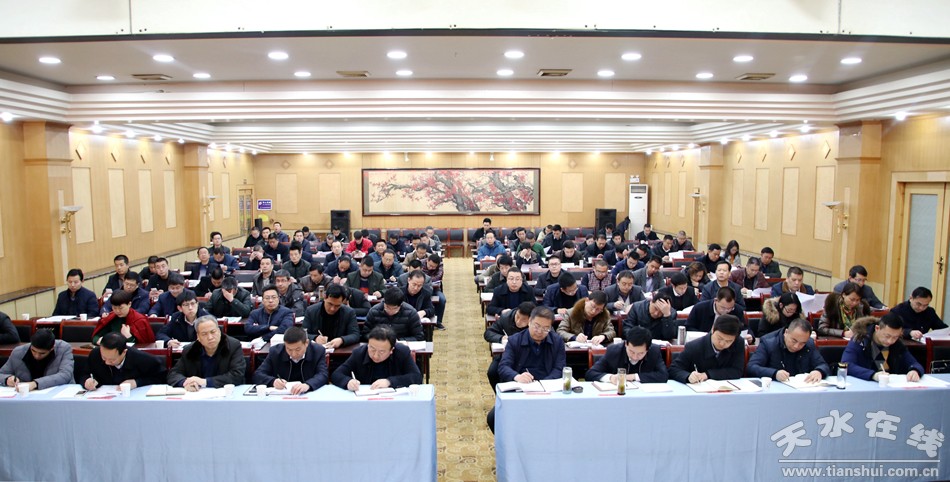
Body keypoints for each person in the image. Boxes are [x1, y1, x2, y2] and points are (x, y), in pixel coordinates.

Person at [489, 306, 566, 432]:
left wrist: (544, 384)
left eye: (546, 328)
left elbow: (559, 368)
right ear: (529, 321)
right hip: (522, 388)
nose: (540, 331)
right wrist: (517, 376)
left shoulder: (557, 341)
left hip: (548, 389)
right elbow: (503, 367)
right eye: (537, 326)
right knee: (493, 418)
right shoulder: (515, 340)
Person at [331, 325, 422, 391]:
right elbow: (337, 374)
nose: (375, 355)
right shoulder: (359, 353)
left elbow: (416, 377)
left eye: (381, 352)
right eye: (372, 349)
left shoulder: (402, 352)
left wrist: (389, 382)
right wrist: (348, 382)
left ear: (391, 350)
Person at [168, 316, 245, 390]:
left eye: (213, 332)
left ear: (219, 331)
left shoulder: (233, 346)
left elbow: (237, 375)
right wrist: (185, 382)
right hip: (197, 394)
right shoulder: (190, 350)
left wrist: (205, 382)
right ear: (198, 337)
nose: (210, 337)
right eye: (204, 334)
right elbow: (173, 373)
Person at [841, 314, 924, 382]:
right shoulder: (860, 339)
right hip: (865, 383)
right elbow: (847, 364)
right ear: (877, 328)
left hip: (889, 385)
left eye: (895, 337)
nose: (890, 341)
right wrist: (873, 375)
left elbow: (914, 363)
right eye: (887, 336)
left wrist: (915, 370)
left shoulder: (897, 344)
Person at [669, 314, 745, 384]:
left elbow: (737, 371)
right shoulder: (694, 346)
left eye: (728, 341)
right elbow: (674, 369)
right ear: (712, 329)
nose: (722, 343)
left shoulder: (738, 343)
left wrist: (708, 374)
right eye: (719, 338)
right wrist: (688, 376)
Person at [746, 319, 829, 382]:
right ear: (786, 332)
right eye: (794, 341)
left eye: (802, 343)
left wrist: (819, 371)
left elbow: (823, 365)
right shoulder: (768, 342)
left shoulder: (809, 344)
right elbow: (751, 367)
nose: (797, 346)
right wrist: (774, 373)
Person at [252, 327, 328, 395]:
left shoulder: (317, 351)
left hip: (308, 395)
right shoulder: (275, 352)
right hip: (282, 396)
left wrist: (308, 385)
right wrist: (273, 381)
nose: (294, 354)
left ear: (306, 343)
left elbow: (323, 374)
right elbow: (258, 374)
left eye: (298, 349)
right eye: (289, 349)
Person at [586, 326, 669, 383]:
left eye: (640, 353)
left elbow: (664, 375)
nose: (635, 357)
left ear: (648, 349)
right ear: (626, 344)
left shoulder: (654, 351)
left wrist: (633, 377)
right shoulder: (613, 351)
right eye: (632, 352)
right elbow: (590, 374)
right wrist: (611, 378)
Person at [84, 332, 167, 389]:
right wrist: (86, 380)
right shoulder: (95, 354)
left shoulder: (143, 359)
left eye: (112, 360)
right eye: (104, 358)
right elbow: (84, 373)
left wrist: (137, 382)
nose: (107, 362)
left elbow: (162, 378)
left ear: (124, 352)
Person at [0, 329, 74, 392]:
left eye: (42, 353)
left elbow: (65, 375)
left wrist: (35, 384)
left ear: (52, 348)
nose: (37, 356)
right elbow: (1, 374)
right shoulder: (18, 352)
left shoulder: (64, 349)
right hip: (25, 396)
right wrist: (7, 379)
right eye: (33, 351)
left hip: (58, 394)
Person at [484, 301, 534, 388]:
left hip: (530, 356)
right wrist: (501, 338)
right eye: (517, 316)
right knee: (492, 372)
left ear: (531, 320)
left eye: (523, 320)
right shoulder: (506, 317)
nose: (518, 321)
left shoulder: (537, 324)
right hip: (507, 354)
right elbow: (488, 333)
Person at [303, 284, 360, 349]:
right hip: (317, 350)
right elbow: (303, 334)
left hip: (340, 350)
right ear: (325, 297)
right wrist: (315, 338)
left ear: (342, 302)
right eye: (330, 304)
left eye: (337, 306)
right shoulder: (311, 311)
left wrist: (341, 340)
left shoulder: (349, 312)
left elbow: (355, 335)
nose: (332, 309)